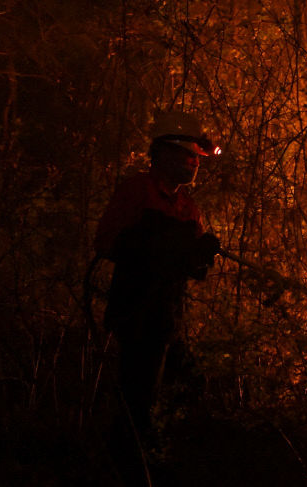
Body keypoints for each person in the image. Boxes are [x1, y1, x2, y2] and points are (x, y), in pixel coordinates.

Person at [95, 111, 220, 436]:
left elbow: (192, 270)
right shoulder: (137, 190)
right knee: (137, 401)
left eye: (197, 158)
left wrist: (201, 254)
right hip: (135, 314)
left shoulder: (188, 208)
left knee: (187, 390)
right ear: (164, 153)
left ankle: (160, 455)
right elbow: (106, 242)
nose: (194, 163)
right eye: (189, 155)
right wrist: (156, 243)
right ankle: (129, 459)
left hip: (168, 319)